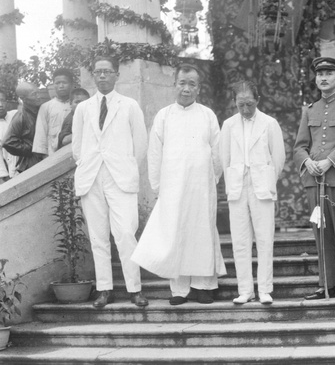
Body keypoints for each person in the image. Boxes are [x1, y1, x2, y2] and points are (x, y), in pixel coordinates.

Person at [132, 63, 226, 306]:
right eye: (182, 83)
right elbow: (154, 153)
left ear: (198, 88)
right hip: (172, 186)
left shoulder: (207, 115)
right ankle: (180, 289)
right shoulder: (164, 116)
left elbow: (218, 152)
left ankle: (204, 286)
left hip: (202, 187)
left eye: (192, 84)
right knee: (176, 233)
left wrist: (212, 179)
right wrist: (159, 187)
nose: (186, 88)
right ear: (175, 85)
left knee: (201, 233)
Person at [72, 56, 149, 308]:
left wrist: (125, 168)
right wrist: (87, 165)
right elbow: (76, 147)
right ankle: (104, 289)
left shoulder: (129, 105)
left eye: (107, 72)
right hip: (92, 177)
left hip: (120, 178)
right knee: (97, 236)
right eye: (98, 72)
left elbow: (140, 145)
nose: (102, 76)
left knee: (126, 233)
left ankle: (134, 289)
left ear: (116, 75)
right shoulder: (83, 108)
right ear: (93, 76)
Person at [293, 57, 335, 303]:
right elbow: (299, 146)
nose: (323, 77)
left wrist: (329, 161)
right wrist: (307, 162)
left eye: (329, 73)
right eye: (320, 73)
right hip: (315, 181)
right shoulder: (309, 110)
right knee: (321, 234)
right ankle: (326, 285)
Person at [220, 80, 286, 305]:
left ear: (257, 100)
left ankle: (265, 289)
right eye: (241, 105)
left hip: (262, 185)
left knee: (265, 238)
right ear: (234, 103)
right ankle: (245, 290)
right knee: (240, 240)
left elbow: (278, 157)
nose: (246, 109)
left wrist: (267, 179)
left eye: (249, 104)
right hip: (238, 186)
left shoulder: (269, 123)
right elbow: (224, 157)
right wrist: (234, 180)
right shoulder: (228, 125)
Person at [3, 82, 48, 174]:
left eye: (38, 92)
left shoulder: (43, 110)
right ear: (23, 98)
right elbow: (8, 142)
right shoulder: (21, 117)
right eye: (34, 94)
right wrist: (33, 148)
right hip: (32, 163)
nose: (38, 96)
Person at [33, 68, 75, 156]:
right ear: (53, 85)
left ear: (71, 84)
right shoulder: (46, 107)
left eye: (64, 82)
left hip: (75, 153)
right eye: (57, 83)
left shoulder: (78, 105)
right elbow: (41, 136)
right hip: (53, 155)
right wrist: (45, 159)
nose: (61, 86)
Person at [0, 90, 18, 182]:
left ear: (6, 102)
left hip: (27, 162)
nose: (0, 105)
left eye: (2, 100)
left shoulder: (16, 114)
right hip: (10, 170)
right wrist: (4, 176)